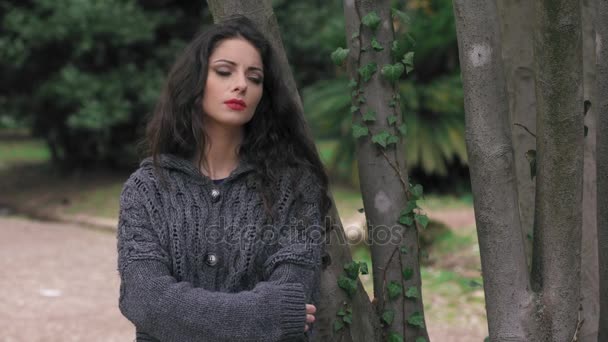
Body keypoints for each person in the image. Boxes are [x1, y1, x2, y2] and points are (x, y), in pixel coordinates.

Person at [116, 15, 331, 342]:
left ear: (264, 94)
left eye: (254, 77)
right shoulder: (148, 189)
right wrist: (268, 314)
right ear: (196, 80)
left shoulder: (295, 186)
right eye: (224, 71)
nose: (242, 84)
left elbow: (294, 295)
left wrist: (179, 317)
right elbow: (144, 299)